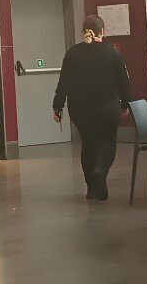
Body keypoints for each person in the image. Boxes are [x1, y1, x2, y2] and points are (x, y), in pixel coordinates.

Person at [52, 15, 131, 201]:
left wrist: (57, 106)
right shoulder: (112, 53)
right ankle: (100, 171)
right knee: (107, 143)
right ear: (102, 31)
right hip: (107, 108)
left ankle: (91, 189)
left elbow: (63, 83)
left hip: (80, 110)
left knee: (88, 144)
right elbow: (123, 82)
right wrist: (126, 103)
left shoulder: (72, 53)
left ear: (83, 32)